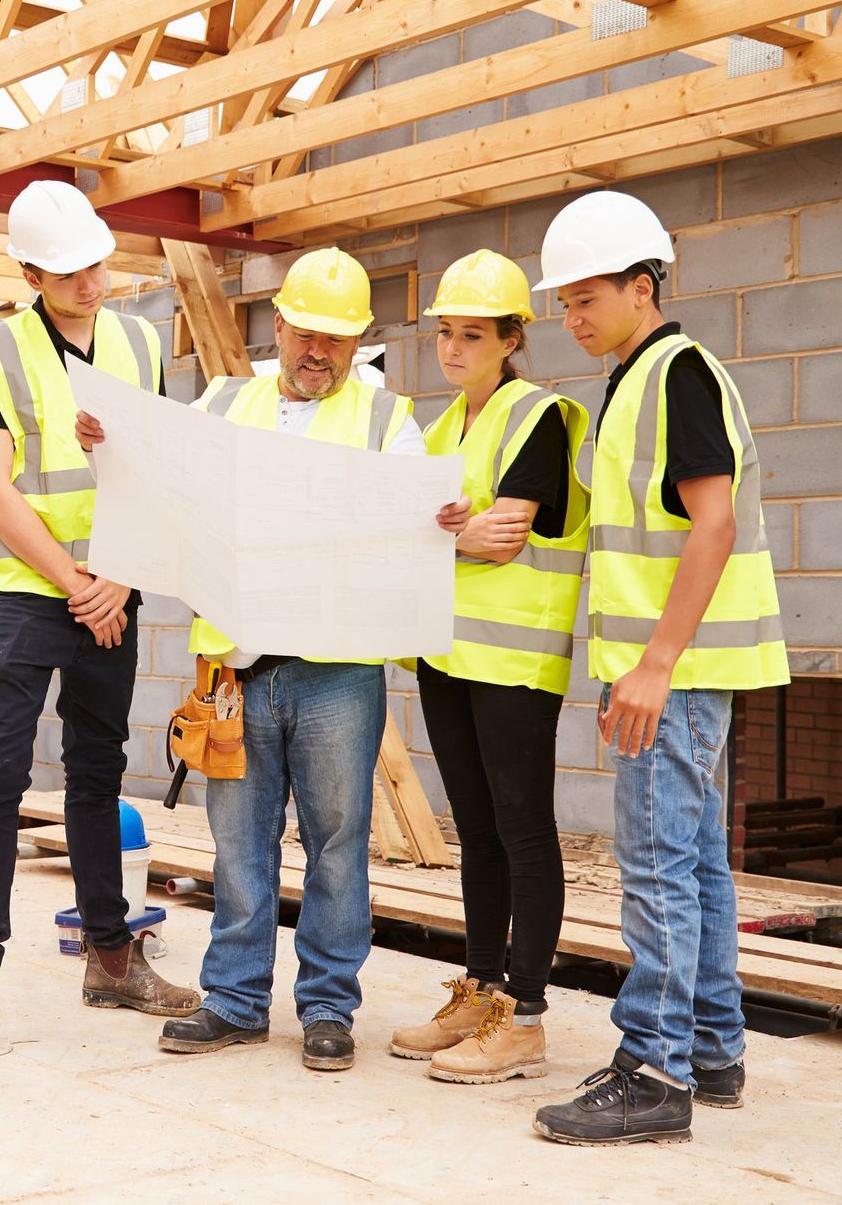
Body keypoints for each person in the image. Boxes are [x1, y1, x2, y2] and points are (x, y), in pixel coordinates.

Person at [86, 247, 428, 1071]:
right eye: (307, 334)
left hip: (335, 669)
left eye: (339, 341)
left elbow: (416, 519)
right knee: (238, 842)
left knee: (337, 841)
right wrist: (110, 447)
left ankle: (326, 1010)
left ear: (358, 345)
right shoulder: (221, 402)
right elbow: (162, 488)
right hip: (234, 668)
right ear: (278, 327)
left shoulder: (387, 422)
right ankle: (236, 1001)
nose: (320, 353)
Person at [525, 191, 789, 1144]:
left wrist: (655, 664)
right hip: (670, 669)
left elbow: (711, 522)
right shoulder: (637, 378)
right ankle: (712, 1052)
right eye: (563, 303)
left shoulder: (676, 373)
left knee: (657, 870)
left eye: (586, 297)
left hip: (670, 673)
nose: (571, 317)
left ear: (644, 287)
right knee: (692, 863)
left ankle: (653, 1072)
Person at [0, 181, 200, 1053]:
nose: (91, 280)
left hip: (110, 591)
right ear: (28, 272)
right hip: (26, 591)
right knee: (1, 779)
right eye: (69, 270)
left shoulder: (138, 339)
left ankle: (111, 958)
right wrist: (76, 580)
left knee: (97, 772)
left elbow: (157, 470)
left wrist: (116, 581)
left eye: (97, 261)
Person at [387, 249, 590, 1085]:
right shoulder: (442, 430)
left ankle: (527, 1018)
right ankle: (480, 989)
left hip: (514, 661)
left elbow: (504, 537)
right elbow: (415, 534)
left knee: (524, 829)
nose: (454, 348)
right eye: (445, 333)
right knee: (475, 831)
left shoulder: (539, 416)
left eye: (474, 334)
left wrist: (440, 532)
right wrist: (444, 532)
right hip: (447, 653)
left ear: (512, 339)